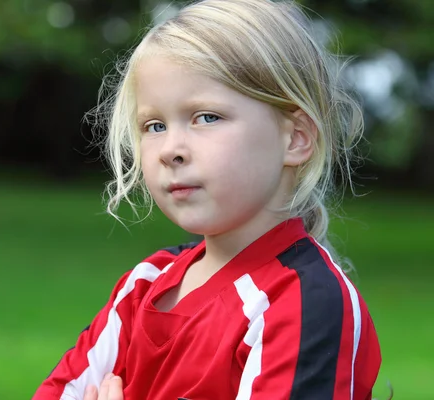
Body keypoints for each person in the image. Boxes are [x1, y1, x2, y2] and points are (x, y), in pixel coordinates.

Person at [32, 0, 382, 398]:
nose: (171, 149)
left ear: (295, 137)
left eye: (206, 117)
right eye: (155, 125)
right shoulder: (144, 285)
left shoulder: (305, 304)